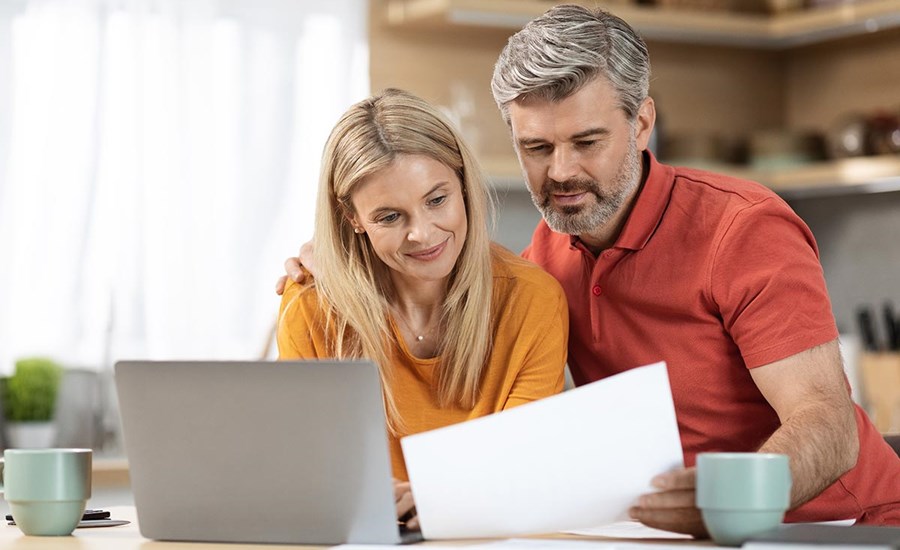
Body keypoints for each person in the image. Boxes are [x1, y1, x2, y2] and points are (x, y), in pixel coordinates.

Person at [279, 4, 900, 534]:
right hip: (676, 532)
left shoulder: (742, 230)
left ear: (643, 125)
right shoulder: (544, 261)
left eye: (587, 142)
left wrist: (726, 504)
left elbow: (828, 425)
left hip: (839, 526)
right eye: (537, 148)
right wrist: (334, 256)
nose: (561, 173)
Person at [276, 88, 568, 529]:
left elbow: (522, 471)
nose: (423, 234)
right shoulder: (311, 309)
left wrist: (438, 498)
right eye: (389, 217)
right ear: (352, 217)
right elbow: (303, 476)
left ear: (462, 183)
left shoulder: (532, 301)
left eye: (437, 200)